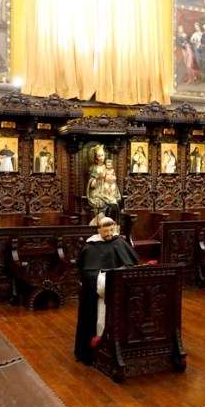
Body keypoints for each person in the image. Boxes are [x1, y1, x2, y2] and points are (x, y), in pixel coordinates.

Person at [73, 217, 139, 365]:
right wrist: (100, 278)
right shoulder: (90, 247)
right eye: (105, 230)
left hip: (119, 292)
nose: (109, 233)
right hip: (97, 294)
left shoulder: (120, 242)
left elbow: (131, 264)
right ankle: (93, 350)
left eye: (111, 230)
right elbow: (87, 273)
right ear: (99, 230)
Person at [87, 146, 118, 224]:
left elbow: (113, 180)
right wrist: (98, 178)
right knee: (99, 203)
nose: (101, 157)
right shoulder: (93, 168)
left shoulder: (107, 167)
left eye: (102, 155)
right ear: (96, 157)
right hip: (96, 191)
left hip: (107, 190)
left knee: (114, 203)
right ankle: (100, 225)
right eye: (99, 156)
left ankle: (111, 225)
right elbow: (92, 184)